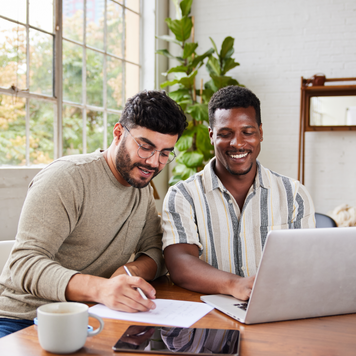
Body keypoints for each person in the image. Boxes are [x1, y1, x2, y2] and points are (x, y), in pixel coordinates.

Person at [0, 90, 187, 338]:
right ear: (118, 133)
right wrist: (101, 288)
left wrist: (128, 273)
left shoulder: (139, 186)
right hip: (25, 319)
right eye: (145, 147)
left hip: (91, 315)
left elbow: (157, 249)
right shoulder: (66, 178)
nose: (153, 163)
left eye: (165, 153)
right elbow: (25, 263)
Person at [162, 85, 315, 301]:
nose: (238, 143)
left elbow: (306, 263)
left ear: (260, 132)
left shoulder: (294, 195)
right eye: (225, 134)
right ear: (212, 135)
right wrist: (235, 285)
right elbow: (180, 263)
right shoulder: (183, 196)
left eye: (248, 132)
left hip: (275, 308)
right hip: (207, 317)